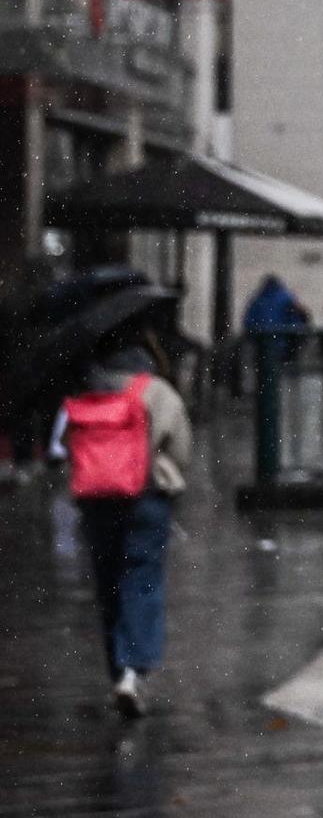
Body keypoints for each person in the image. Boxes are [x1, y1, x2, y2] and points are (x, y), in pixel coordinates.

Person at [58, 303, 193, 719]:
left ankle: (116, 667)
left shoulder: (83, 389)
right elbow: (181, 447)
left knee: (108, 585)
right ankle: (132, 672)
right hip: (146, 499)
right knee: (143, 580)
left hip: (97, 500)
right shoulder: (155, 391)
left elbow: (66, 445)